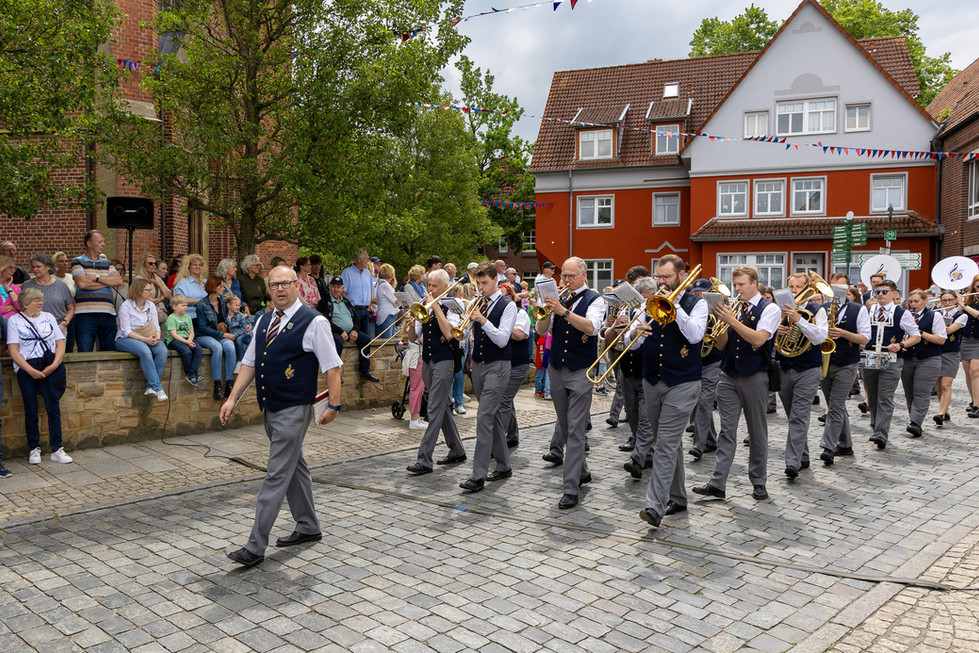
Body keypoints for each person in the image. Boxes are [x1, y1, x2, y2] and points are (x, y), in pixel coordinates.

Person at [221, 265, 343, 568]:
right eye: (274, 285)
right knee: (294, 468)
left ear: (296, 286)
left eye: (285, 284)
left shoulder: (314, 322)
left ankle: (255, 545)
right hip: (270, 407)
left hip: (294, 408)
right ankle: (308, 526)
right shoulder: (263, 320)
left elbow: (333, 367)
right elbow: (249, 363)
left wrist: (333, 405)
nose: (279, 289)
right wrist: (232, 398)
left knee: (276, 474)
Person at [624, 256, 707, 528]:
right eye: (659, 277)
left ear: (681, 276)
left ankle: (654, 506)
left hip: (682, 382)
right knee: (666, 443)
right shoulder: (646, 304)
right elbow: (630, 345)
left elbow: (695, 336)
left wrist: (673, 306)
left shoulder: (698, 303)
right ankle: (678, 497)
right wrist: (635, 332)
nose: (661, 282)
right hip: (652, 380)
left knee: (666, 444)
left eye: (667, 277)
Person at [694, 265, 780, 502]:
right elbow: (721, 345)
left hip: (755, 375)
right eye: (735, 285)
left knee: (757, 430)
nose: (737, 289)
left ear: (754, 283)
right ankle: (717, 483)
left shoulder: (770, 309)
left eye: (741, 284)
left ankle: (759, 481)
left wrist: (731, 320)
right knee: (727, 431)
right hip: (729, 374)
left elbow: (759, 339)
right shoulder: (735, 308)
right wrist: (717, 322)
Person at [536, 257, 605, 509]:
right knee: (565, 426)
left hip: (580, 369)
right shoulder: (556, 298)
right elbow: (542, 330)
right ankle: (582, 471)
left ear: (583, 276)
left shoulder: (595, 299)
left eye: (571, 276)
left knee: (576, 429)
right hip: (557, 367)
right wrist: (545, 311)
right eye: (563, 276)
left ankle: (570, 488)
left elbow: (591, 327)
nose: (565, 280)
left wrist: (564, 311)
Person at [459, 265, 517, 492]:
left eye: (484, 283)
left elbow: (503, 339)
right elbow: (463, 334)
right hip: (478, 365)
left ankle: (478, 475)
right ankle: (503, 465)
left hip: (498, 365)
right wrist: (463, 321)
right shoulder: (477, 302)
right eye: (478, 284)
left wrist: (483, 320)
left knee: (484, 417)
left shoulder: (508, 305)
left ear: (495, 280)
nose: (480, 288)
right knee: (493, 417)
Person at [405, 269, 467, 475]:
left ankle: (424, 459)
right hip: (428, 360)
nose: (429, 289)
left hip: (445, 361)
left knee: (433, 408)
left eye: (433, 286)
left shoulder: (452, 306)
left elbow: (450, 334)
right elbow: (414, 338)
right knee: (442, 406)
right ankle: (457, 449)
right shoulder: (425, 307)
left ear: (444, 287)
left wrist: (436, 307)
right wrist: (412, 323)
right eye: (428, 285)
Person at [7, 288, 72, 465]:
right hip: (28, 366)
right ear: (25, 304)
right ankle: (34, 448)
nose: (40, 302)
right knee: (31, 408)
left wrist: (54, 365)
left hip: (49, 363)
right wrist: (29, 370)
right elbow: (13, 350)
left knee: (53, 407)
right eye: (36, 300)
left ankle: (57, 448)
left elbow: (60, 343)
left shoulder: (49, 317)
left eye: (41, 299)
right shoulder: (15, 320)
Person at [775, 273, 828, 479]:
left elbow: (820, 338)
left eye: (798, 287)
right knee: (792, 415)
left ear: (808, 289)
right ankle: (803, 455)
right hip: (785, 366)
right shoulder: (779, 311)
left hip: (807, 369)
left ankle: (792, 462)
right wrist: (776, 330)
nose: (794, 291)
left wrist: (799, 320)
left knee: (798, 416)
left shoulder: (817, 310)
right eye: (791, 287)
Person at [863, 279, 921, 449]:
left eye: (884, 292)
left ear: (894, 293)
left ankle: (881, 433)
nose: (880, 295)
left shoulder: (901, 312)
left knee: (885, 396)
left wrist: (901, 345)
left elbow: (915, 336)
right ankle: (875, 427)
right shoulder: (868, 310)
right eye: (877, 292)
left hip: (892, 358)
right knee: (872, 396)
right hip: (871, 356)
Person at [818, 285, 870, 466]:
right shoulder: (822, 309)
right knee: (836, 406)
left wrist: (843, 333)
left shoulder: (859, 309)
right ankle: (846, 445)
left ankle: (828, 447)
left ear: (850, 294)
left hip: (847, 363)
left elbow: (864, 338)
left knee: (835, 405)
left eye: (844, 292)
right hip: (825, 361)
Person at [614, 276, 658, 480]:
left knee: (646, 419)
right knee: (632, 415)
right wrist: (617, 324)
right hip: (627, 368)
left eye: (647, 298)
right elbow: (614, 340)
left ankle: (637, 459)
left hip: (648, 370)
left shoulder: (659, 309)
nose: (643, 303)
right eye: (640, 298)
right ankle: (648, 454)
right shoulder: (628, 310)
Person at [900, 289, 947, 437]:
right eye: (911, 302)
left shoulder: (934, 316)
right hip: (907, 357)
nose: (913, 304)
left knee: (921, 391)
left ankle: (916, 423)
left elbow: (941, 339)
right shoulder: (905, 315)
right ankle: (913, 418)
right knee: (909, 392)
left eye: (916, 301)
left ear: (925, 301)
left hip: (928, 358)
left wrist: (919, 332)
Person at [115, 278, 169, 402]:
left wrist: (156, 337)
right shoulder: (126, 306)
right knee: (145, 352)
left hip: (148, 337)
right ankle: (158, 388)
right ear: (139, 291)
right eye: (148, 290)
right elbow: (126, 331)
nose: (151, 292)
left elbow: (156, 326)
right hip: (126, 339)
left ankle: (150, 387)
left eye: (151, 289)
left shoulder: (150, 305)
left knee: (162, 351)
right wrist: (146, 340)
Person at [71, 230, 123, 351]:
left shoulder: (107, 263)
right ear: (89, 244)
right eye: (100, 242)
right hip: (85, 315)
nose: (103, 244)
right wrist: (106, 283)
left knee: (110, 351)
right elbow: (82, 283)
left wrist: (97, 278)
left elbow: (118, 281)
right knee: (85, 351)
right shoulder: (77, 261)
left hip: (108, 314)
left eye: (103, 241)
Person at [688, 278, 720, 461]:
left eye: (703, 293)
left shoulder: (717, 312)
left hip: (713, 362)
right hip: (695, 362)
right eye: (696, 294)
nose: (699, 296)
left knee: (705, 401)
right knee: (698, 402)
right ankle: (710, 439)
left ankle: (698, 445)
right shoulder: (693, 311)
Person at [318, 276, 374, 380]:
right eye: (334, 286)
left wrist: (355, 330)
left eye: (338, 287)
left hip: (350, 332)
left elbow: (356, 318)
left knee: (366, 340)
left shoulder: (346, 301)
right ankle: (336, 373)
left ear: (342, 289)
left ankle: (365, 370)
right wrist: (340, 331)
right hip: (334, 332)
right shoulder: (324, 302)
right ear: (329, 287)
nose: (336, 289)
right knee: (337, 341)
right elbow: (325, 321)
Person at [498, 282, 531, 448]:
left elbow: (519, 335)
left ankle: (497, 442)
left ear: (510, 297)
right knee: (507, 401)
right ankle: (512, 436)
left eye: (503, 295)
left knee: (503, 400)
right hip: (503, 363)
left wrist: (501, 326)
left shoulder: (520, 313)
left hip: (518, 365)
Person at [196, 276, 239, 400]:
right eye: (220, 286)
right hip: (203, 335)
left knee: (230, 347)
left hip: (219, 334)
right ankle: (217, 386)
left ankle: (229, 384)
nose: (222, 288)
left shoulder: (221, 302)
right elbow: (202, 327)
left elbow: (226, 319)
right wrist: (223, 335)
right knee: (217, 348)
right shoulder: (201, 304)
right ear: (213, 287)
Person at [341, 250, 379, 379]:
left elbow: (369, 291)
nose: (368, 260)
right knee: (354, 338)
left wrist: (369, 306)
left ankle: (365, 370)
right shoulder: (347, 273)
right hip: (354, 310)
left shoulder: (368, 273)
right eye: (367, 258)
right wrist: (350, 306)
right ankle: (348, 370)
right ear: (359, 259)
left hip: (365, 310)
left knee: (366, 341)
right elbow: (342, 292)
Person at [935, 290, 968, 425]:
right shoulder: (936, 313)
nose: (947, 303)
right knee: (938, 383)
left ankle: (941, 413)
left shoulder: (961, 316)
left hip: (951, 352)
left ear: (955, 300)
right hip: (936, 351)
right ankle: (945, 409)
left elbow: (948, 330)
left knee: (946, 384)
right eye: (944, 300)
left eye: (950, 300)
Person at [22, 254, 74, 338]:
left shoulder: (61, 286)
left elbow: (71, 308)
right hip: (34, 330)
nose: (35, 269)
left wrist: (64, 323)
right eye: (33, 267)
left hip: (58, 328)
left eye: (38, 266)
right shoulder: (26, 286)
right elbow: (22, 308)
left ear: (48, 267)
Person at [166, 295, 204, 386]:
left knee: (198, 349)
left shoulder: (187, 317)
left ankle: (193, 373)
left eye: (187, 305)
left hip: (187, 339)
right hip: (174, 340)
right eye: (183, 305)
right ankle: (190, 374)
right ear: (175, 307)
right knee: (186, 351)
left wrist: (190, 341)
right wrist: (187, 342)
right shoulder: (171, 318)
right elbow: (174, 334)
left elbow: (191, 332)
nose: (186, 307)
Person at [958, 275, 979, 418]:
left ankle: (978, 405)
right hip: (966, 339)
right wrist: (958, 303)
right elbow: (958, 316)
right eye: (977, 287)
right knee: (967, 372)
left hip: (978, 340)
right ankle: (974, 400)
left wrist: (964, 305)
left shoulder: (968, 303)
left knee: (975, 371)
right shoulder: (969, 299)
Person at [134, 253, 173, 325]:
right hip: (146, 314)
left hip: (161, 312)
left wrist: (158, 283)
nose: (154, 265)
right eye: (150, 263)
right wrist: (160, 298)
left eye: (155, 263)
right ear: (143, 264)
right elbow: (142, 297)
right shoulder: (139, 278)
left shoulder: (156, 278)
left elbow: (169, 295)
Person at [374, 263, 400, 340]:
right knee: (388, 340)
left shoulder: (379, 283)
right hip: (388, 315)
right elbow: (395, 301)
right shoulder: (385, 285)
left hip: (383, 314)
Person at [225, 294, 252, 362]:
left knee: (239, 340)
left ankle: (239, 362)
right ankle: (244, 362)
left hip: (245, 335)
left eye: (239, 305)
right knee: (242, 344)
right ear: (228, 305)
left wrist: (235, 335)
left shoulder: (240, 316)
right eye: (236, 305)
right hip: (233, 336)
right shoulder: (225, 316)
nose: (238, 307)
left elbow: (243, 328)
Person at [0, 256, 22, 321]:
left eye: (14, 268)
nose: (13, 271)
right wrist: (9, 307)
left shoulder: (15, 288)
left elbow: (20, 307)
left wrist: (9, 290)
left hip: (12, 326)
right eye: (10, 268)